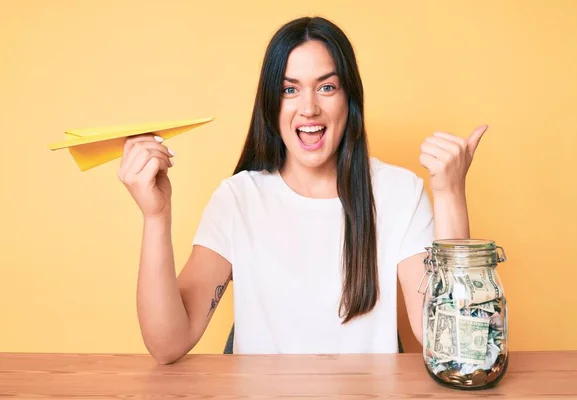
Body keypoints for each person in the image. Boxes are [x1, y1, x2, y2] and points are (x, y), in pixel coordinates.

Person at [118, 16, 488, 364]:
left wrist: (451, 194)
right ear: (271, 104)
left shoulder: (399, 192)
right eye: (289, 90)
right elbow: (167, 344)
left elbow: (452, 343)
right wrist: (156, 215)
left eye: (327, 87)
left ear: (350, 100)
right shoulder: (238, 199)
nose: (309, 108)